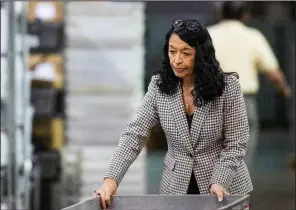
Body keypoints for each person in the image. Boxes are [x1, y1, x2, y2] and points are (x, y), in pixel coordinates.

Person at [93, 19, 253, 209]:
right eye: (172, 51)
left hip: (224, 188)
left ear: (201, 55)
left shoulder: (228, 88)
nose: (176, 60)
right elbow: (135, 134)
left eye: (186, 53)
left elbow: (236, 143)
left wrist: (220, 180)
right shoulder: (159, 86)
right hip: (176, 188)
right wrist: (111, 180)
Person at [207, 1, 292, 168]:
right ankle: (236, 188)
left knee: (211, 150)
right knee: (241, 151)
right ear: (244, 15)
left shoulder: (207, 35)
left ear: (220, 14)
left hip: (211, 101)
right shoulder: (253, 36)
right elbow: (273, 73)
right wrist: (285, 90)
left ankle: (212, 188)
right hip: (242, 101)